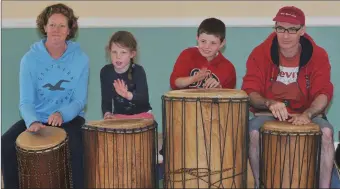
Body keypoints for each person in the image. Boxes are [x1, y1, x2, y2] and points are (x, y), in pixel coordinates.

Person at [241, 6, 334, 188]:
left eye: (292, 29)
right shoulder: (260, 53)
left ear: (302, 31)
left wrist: (308, 114)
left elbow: (324, 92)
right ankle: (261, 185)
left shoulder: (318, 55)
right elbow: (250, 91)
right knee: (252, 132)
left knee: (327, 133)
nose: (285, 35)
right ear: (274, 28)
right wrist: (268, 103)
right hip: (267, 114)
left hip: (306, 112)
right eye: (280, 28)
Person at [1, 3, 89, 189]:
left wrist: (61, 114)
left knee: (79, 148)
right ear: (44, 27)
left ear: (69, 29)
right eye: (52, 25)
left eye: (62, 25)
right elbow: (25, 101)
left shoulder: (81, 59)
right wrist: (32, 121)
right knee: (6, 143)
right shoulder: (29, 59)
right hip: (38, 119)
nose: (56, 30)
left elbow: (79, 101)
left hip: (70, 118)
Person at [169, 17, 236, 90]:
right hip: (186, 101)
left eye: (213, 43)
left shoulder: (228, 68)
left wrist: (218, 89)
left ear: (222, 43)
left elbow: (229, 97)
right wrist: (193, 79)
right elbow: (175, 83)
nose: (207, 47)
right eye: (203, 41)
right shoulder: (188, 55)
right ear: (197, 38)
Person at [100, 31, 153, 120]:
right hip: (120, 117)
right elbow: (106, 100)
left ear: (132, 54)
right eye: (114, 52)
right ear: (109, 51)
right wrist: (107, 114)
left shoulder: (138, 71)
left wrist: (127, 95)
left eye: (123, 52)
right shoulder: (106, 72)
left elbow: (144, 100)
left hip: (141, 115)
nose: (118, 56)